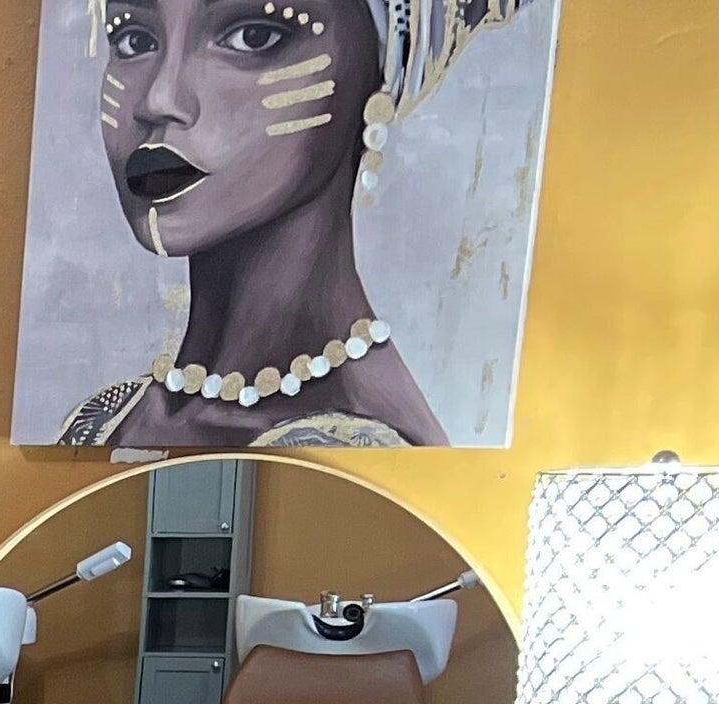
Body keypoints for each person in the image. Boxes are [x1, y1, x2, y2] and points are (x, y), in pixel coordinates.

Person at [58, 0, 528, 449]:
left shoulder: (357, 441)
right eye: (134, 41)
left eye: (253, 36)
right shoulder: (107, 417)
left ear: (375, 78)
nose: (158, 100)